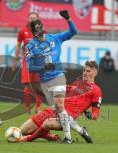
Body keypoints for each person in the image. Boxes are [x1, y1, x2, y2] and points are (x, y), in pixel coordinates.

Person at [26, 10, 77, 144]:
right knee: (58, 110)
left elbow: (73, 32)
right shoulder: (31, 46)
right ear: (33, 32)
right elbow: (30, 67)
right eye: (37, 29)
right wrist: (44, 68)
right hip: (45, 82)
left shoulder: (55, 38)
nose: (40, 30)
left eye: (41, 27)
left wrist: (68, 19)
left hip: (58, 77)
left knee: (60, 106)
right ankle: (79, 129)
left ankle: (68, 137)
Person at [19, 61, 102, 143]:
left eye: (88, 71)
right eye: (84, 70)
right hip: (52, 110)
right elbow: (63, 90)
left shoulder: (96, 90)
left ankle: (28, 139)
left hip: (65, 118)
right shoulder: (77, 84)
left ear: (95, 72)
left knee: (48, 123)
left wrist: (91, 115)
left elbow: (96, 114)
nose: (84, 73)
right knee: (22, 131)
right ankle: (49, 136)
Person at [12, 12, 42, 114]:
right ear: (28, 19)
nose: (32, 20)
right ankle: (27, 107)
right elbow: (18, 45)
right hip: (27, 62)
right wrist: (15, 58)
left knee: (38, 85)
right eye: (31, 18)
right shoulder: (22, 32)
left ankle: (38, 108)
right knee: (27, 85)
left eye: (34, 18)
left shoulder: (41, 32)